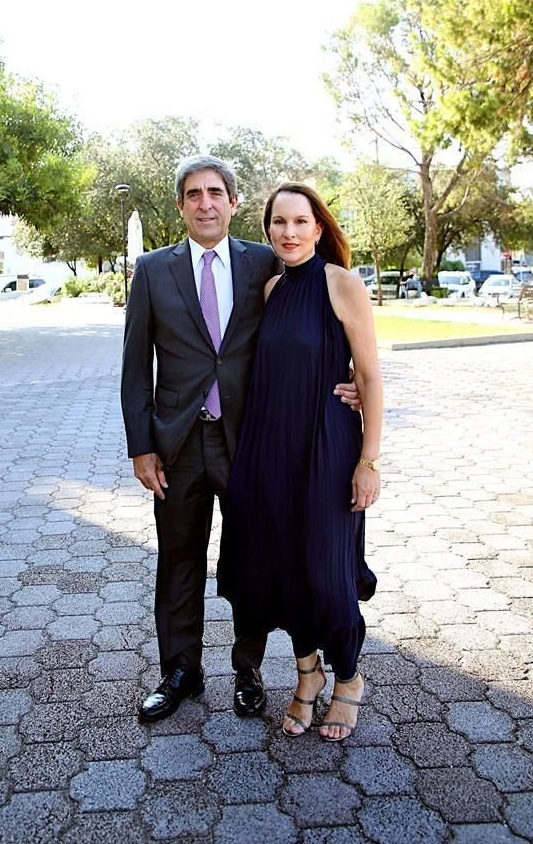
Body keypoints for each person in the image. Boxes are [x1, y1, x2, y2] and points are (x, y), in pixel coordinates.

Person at [121, 156, 360, 723]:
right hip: (176, 445)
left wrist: (347, 379)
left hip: (249, 442)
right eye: (193, 194)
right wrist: (141, 445)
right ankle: (180, 671)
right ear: (180, 205)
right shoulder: (152, 270)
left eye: (215, 193)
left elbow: (319, 315)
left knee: (254, 559)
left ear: (232, 202)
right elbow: (135, 366)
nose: (205, 202)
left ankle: (248, 671)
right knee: (178, 560)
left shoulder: (264, 263)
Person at [218, 182, 382, 742]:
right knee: (279, 570)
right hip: (270, 450)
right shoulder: (269, 290)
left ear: (318, 228)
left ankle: (349, 679)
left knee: (326, 573)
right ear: (268, 230)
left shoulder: (343, 284)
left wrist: (370, 460)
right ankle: (306, 675)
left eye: (300, 222)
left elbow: (369, 376)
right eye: (279, 223)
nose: (289, 233)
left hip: (328, 447)